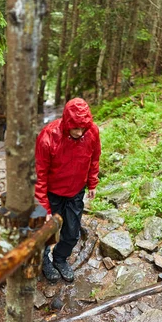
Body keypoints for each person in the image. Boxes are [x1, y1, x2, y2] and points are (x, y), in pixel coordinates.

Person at [35, 97, 101, 283]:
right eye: (75, 128)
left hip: (76, 190)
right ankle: (44, 260)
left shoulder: (92, 132)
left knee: (72, 232)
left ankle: (60, 258)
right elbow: (39, 174)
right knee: (47, 231)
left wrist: (92, 183)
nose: (79, 133)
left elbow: (94, 158)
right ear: (66, 123)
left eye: (83, 128)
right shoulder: (48, 136)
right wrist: (44, 208)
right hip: (52, 192)